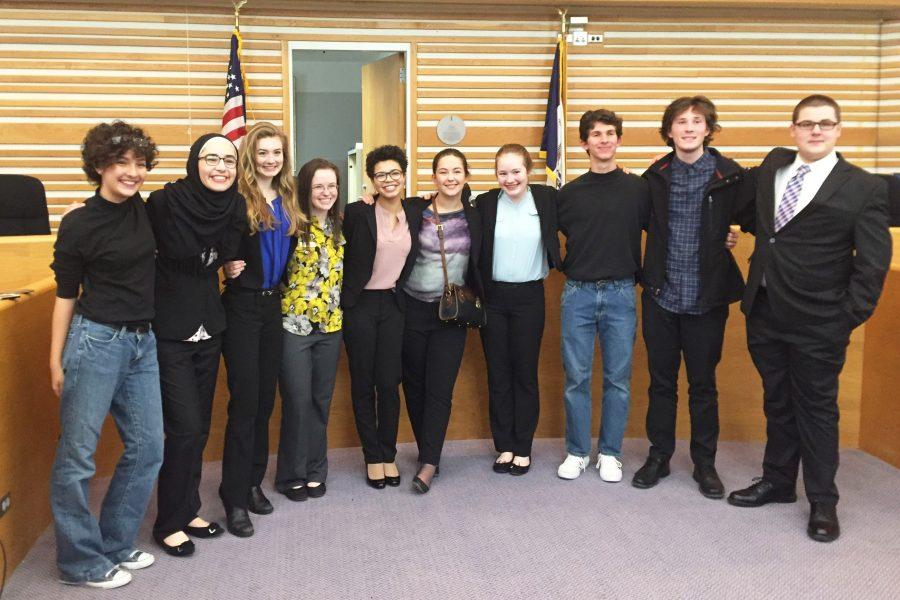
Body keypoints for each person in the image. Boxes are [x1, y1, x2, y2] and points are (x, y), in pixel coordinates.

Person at [728, 95, 891, 542]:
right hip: (764, 311)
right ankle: (778, 482)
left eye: (824, 124)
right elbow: (759, 225)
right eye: (806, 124)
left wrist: (846, 317)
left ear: (839, 129)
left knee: (817, 411)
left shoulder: (863, 187)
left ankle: (823, 501)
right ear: (793, 130)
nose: (815, 131)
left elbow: (873, 263)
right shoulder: (774, 170)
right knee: (777, 403)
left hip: (820, 321)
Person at [49, 120, 163, 589]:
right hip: (95, 341)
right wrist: (54, 359)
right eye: (121, 164)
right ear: (99, 166)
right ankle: (78, 562)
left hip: (143, 342)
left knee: (149, 446)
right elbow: (65, 293)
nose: (132, 173)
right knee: (77, 457)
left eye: (139, 164)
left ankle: (114, 544)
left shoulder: (148, 210)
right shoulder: (79, 222)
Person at [633, 96, 753, 499]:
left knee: (704, 385)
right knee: (661, 384)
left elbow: (754, 217)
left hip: (706, 299)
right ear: (669, 131)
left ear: (708, 129)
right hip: (662, 297)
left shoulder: (730, 175)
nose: (688, 128)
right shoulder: (654, 177)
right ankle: (659, 456)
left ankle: (705, 464)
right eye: (680, 121)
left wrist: (731, 232)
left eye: (696, 121)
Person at [147, 133, 246, 553]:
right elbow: (176, 250)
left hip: (211, 326)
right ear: (195, 162)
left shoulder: (235, 204)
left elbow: (225, 253)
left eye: (229, 160)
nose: (221, 167)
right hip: (171, 329)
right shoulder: (164, 203)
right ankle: (167, 521)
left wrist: (224, 259)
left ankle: (188, 510)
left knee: (199, 427)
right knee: (183, 429)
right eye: (212, 159)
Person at [555, 110, 651, 483]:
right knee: (576, 378)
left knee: (618, 378)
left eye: (610, 133)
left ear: (619, 140)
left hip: (621, 293)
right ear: (584, 144)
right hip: (577, 294)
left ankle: (610, 453)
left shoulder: (637, 189)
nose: (604, 140)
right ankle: (577, 451)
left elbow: (661, 227)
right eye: (595, 135)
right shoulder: (569, 194)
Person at [219, 123, 302, 535]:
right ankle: (233, 498)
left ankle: (252, 483)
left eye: (277, 153)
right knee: (245, 403)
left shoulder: (288, 198)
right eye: (263, 152)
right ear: (250, 156)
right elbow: (208, 236)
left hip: (273, 309)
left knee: (265, 403)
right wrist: (224, 261)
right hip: (241, 309)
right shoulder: (236, 198)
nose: (271, 159)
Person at [475, 144, 560, 475]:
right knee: (498, 373)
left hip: (529, 298)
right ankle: (505, 445)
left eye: (516, 171)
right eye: (502, 172)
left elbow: (585, 210)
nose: (510, 179)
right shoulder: (484, 204)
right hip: (492, 299)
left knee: (524, 373)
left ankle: (523, 446)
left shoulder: (546, 199)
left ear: (529, 171)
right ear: (495, 174)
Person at [403, 148, 483, 493]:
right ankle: (426, 448)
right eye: (443, 172)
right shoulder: (413, 210)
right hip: (410, 308)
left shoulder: (478, 214)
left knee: (440, 388)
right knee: (414, 385)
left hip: (451, 313)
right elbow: (375, 205)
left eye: (457, 171)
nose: (450, 178)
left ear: (466, 176)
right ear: (434, 177)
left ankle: (430, 461)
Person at [342, 145, 419, 489]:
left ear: (404, 176)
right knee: (363, 384)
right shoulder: (357, 213)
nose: (388, 180)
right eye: (381, 174)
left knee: (389, 384)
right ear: (371, 179)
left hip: (393, 305)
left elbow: (458, 195)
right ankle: (372, 456)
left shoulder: (415, 211)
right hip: (359, 306)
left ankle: (388, 453)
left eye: (394, 173)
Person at [275, 158, 344, 501]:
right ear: (306, 188)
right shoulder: (290, 225)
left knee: (320, 401)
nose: (326, 192)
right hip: (294, 327)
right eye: (319, 186)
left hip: (331, 327)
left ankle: (317, 471)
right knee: (297, 400)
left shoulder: (341, 226)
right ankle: (291, 475)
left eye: (332, 185)